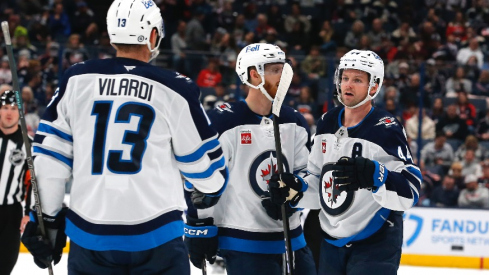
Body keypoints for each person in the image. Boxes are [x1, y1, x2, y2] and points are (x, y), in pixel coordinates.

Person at [21, 1, 228, 274]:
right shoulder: (176, 88)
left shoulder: (76, 79)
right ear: (153, 35)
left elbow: (49, 160)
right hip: (159, 239)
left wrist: (46, 219)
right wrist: (209, 192)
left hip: (89, 237)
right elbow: (209, 175)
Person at [269, 49, 422, 274]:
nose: (348, 85)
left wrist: (378, 176)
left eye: (357, 80)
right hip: (330, 241)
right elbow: (319, 183)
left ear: (374, 86)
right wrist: (297, 189)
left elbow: (411, 190)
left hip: (376, 241)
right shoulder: (326, 123)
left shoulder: (385, 128)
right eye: (345, 78)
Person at [183, 43, 316, 275]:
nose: (283, 75)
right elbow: (199, 178)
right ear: (254, 75)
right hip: (243, 243)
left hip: (293, 240)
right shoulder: (223, 122)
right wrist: (198, 226)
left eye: (283, 68)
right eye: (275, 70)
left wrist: (296, 189)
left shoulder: (295, 121)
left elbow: (308, 174)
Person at [0, 91, 32, 275]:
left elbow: (33, 183)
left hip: (11, 214)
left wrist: (28, 213)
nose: (9, 112)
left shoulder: (29, 145)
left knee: (5, 264)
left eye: (14, 108)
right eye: (5, 107)